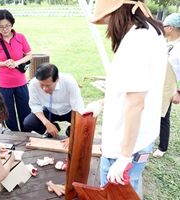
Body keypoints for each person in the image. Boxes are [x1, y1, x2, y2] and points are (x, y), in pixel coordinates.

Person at [81, 0, 166, 195]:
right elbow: (138, 88)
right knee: (130, 192)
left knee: (116, 195)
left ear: (117, 12)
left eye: (107, 18)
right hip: (143, 137)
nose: (108, 26)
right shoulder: (153, 32)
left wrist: (124, 157)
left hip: (123, 145)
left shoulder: (135, 42)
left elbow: (136, 104)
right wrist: (103, 103)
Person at [0, 9, 32, 132]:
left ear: (12, 24)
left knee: (25, 109)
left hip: (21, 82)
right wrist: (5, 63)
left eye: (7, 26)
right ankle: (13, 135)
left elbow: (29, 55)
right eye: (0, 27)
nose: (5, 29)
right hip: (4, 83)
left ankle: (26, 134)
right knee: (8, 112)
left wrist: (17, 62)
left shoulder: (20, 37)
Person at [23, 63, 85, 144]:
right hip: (50, 111)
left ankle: (70, 130)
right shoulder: (34, 83)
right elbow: (35, 105)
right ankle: (53, 126)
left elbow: (78, 109)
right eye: (41, 85)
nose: (45, 89)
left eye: (48, 85)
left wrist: (73, 136)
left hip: (69, 111)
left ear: (57, 79)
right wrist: (47, 124)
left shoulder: (69, 82)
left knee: (85, 127)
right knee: (29, 123)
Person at [153, 13, 180, 158]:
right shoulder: (165, 44)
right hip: (157, 83)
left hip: (168, 87)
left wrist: (179, 93)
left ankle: (162, 147)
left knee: (163, 117)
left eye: (163, 26)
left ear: (170, 28)